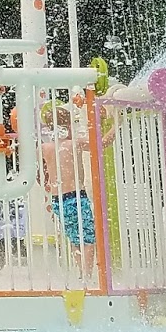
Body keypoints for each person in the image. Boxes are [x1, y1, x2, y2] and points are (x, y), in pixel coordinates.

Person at [39, 102, 97, 282]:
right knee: (88, 238)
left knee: (74, 237)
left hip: (58, 200)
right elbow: (101, 143)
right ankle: (87, 276)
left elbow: (39, 172)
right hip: (76, 197)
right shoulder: (75, 143)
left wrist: (47, 186)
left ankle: (81, 273)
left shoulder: (44, 148)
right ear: (68, 125)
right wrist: (116, 125)